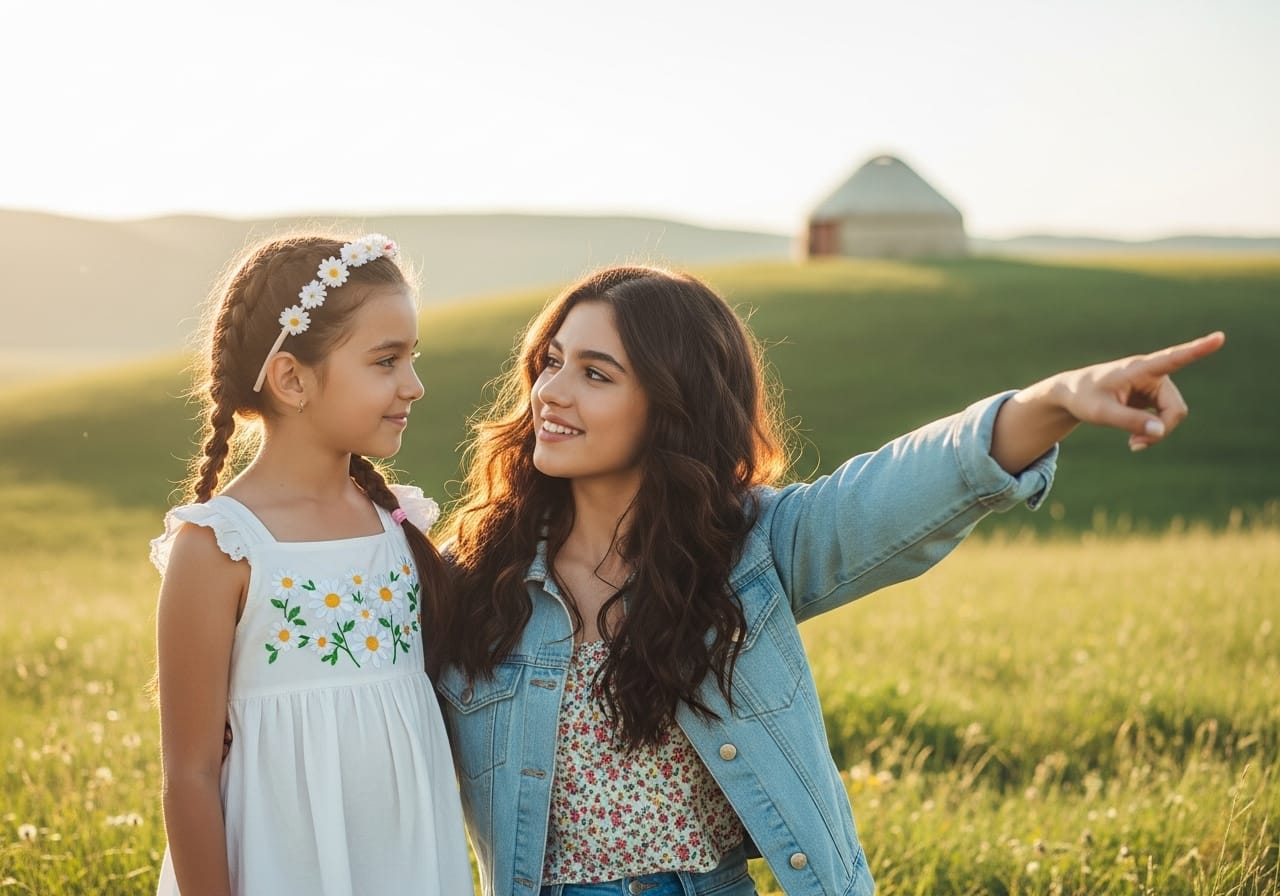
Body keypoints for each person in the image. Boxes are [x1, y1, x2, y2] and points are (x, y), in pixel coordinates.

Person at [439, 265, 1224, 896]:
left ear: (673, 404)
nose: (551, 392)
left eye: (596, 373)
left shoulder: (748, 550)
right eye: (550, 363)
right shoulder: (475, 578)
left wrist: (1055, 402)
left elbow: (902, 489)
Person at [150, 234, 472, 895]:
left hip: (405, 858)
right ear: (292, 378)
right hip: (277, 862)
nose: (414, 386)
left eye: (412, 358)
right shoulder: (221, 546)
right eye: (385, 362)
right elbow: (189, 775)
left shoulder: (401, 524)